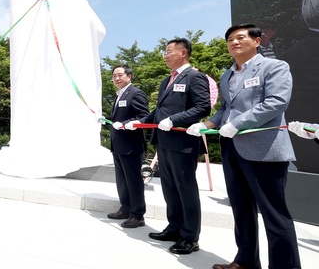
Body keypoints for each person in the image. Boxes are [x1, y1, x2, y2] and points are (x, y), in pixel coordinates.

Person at [187, 24, 301, 269]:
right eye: (230, 39)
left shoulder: (275, 67)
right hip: (232, 149)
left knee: (275, 216)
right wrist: (205, 124)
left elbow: (276, 102)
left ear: (257, 41)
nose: (234, 43)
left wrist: (237, 123)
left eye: (240, 38)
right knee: (241, 210)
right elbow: (225, 109)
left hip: (265, 150)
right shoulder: (228, 74)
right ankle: (246, 261)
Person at [125, 38, 210, 255]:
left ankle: (190, 237)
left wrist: (175, 120)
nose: (165, 55)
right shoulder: (166, 81)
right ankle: (174, 228)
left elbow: (203, 107)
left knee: (186, 190)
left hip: (183, 144)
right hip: (163, 142)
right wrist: (140, 122)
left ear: (183, 52)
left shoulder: (195, 77)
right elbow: (158, 112)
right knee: (170, 189)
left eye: (169, 51)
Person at [106, 65, 149, 228]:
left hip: (131, 145)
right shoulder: (119, 95)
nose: (116, 78)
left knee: (133, 180)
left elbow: (143, 116)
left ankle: (138, 215)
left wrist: (124, 124)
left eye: (120, 75)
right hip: (117, 145)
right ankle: (125, 208)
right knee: (122, 180)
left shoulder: (135, 93)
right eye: (114, 76)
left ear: (129, 76)